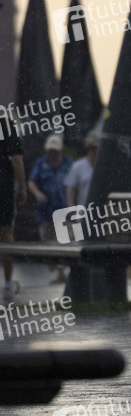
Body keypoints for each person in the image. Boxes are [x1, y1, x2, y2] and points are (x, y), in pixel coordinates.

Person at [28, 134, 73, 283]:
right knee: (47, 242)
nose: (53, 153)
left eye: (55, 150)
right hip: (45, 210)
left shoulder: (69, 163)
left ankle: (64, 271)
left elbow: (74, 185)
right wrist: (37, 193)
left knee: (66, 241)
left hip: (63, 209)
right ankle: (58, 272)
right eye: (51, 150)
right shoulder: (41, 163)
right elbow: (32, 182)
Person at [0, 116, 26, 301]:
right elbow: (16, 159)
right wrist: (22, 186)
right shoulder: (5, 124)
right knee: (6, 235)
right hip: (2, 188)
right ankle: (8, 285)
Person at [65, 133, 100, 207]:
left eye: (95, 148)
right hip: (83, 208)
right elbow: (70, 187)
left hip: (100, 208)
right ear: (87, 148)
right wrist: (71, 205)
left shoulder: (102, 166)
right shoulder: (78, 166)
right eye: (91, 148)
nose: (93, 151)